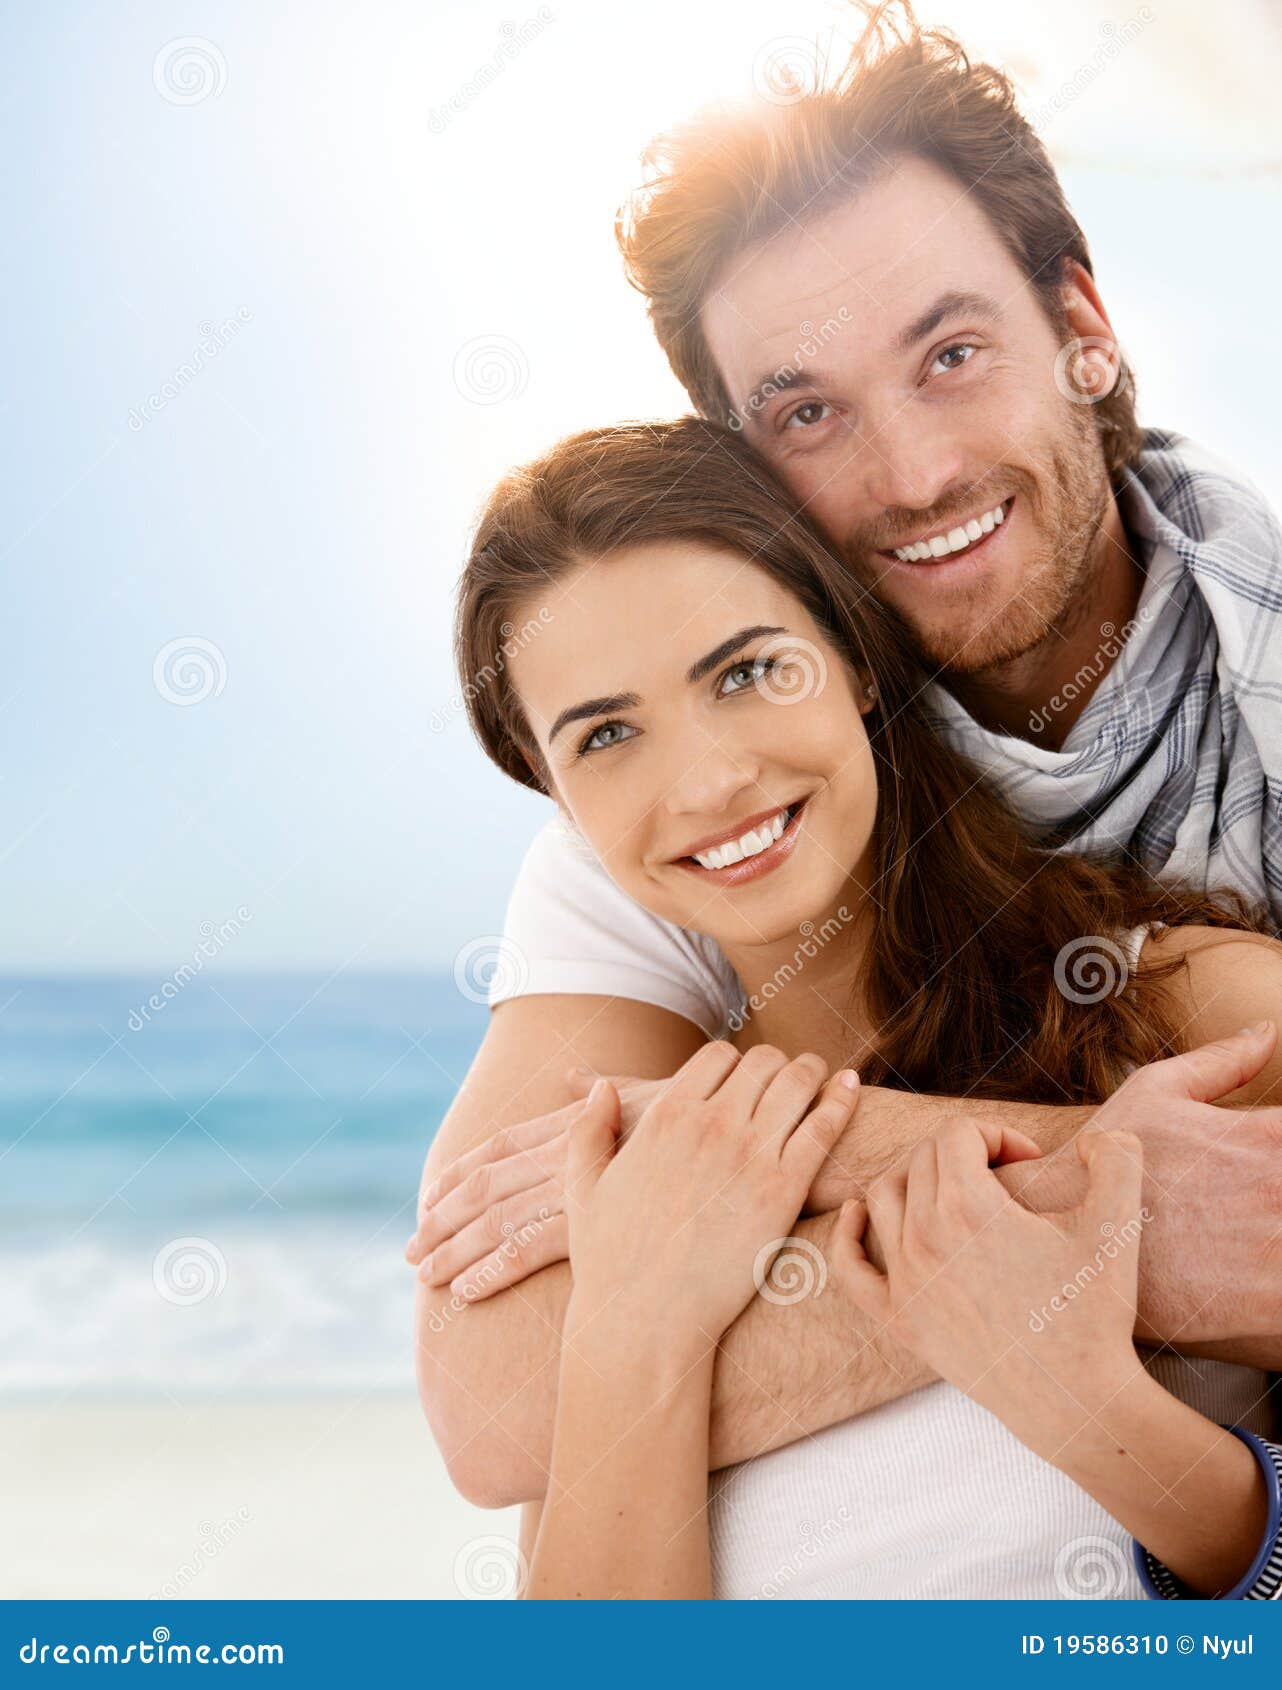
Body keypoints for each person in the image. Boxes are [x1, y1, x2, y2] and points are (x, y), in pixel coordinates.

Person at [412, 6, 1282, 1538]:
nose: (911, 473)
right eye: (806, 412)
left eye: (950, 354)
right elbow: (496, 1401)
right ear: (741, 466)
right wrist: (1102, 1202)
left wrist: (709, 1168)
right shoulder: (717, 803)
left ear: (1082, 328)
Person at [423, 417, 1282, 1599]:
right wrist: (635, 1335)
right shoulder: (635, 1191)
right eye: (607, 734)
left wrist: (1093, 1398)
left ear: (855, 661)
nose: (707, 780)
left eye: (745, 671)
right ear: (558, 801)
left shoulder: (1174, 1012)